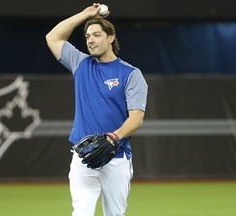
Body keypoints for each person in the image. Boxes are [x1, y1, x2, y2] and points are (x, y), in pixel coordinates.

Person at [46, 3, 148, 216]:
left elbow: (136, 118)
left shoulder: (130, 74)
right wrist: (85, 15)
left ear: (111, 37)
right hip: (83, 157)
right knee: (81, 213)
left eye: (97, 35)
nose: (91, 40)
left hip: (117, 158)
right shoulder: (80, 64)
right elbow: (53, 37)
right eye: (87, 36)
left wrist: (113, 136)